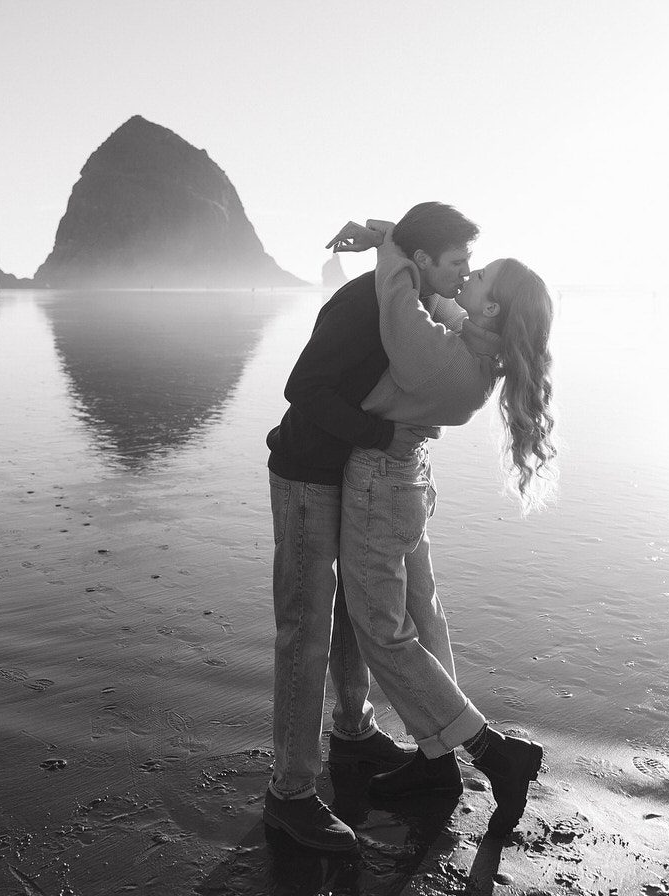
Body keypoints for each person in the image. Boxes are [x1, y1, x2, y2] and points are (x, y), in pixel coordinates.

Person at [328, 218, 556, 838]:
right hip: (406, 480)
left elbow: (397, 300)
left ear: (494, 306)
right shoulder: (477, 345)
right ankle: (437, 761)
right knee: (423, 620)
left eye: (477, 277)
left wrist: (395, 245)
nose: (465, 279)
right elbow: (449, 309)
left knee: (383, 632)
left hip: (380, 481)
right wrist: (388, 231)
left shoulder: (444, 362)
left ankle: (490, 753)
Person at [263, 202, 479, 852]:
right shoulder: (363, 304)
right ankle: (291, 794)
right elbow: (304, 387)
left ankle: (353, 735)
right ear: (419, 262)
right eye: (458, 263)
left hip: (354, 475)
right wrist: (383, 434)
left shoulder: (409, 306)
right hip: (307, 475)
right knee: (305, 630)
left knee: (360, 613)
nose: (467, 275)